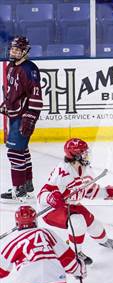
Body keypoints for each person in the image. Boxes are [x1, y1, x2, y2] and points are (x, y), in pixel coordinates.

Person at [37, 138, 113, 265]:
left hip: (71, 204)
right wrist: (50, 198)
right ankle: (74, 252)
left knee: (94, 225)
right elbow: (43, 194)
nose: (87, 155)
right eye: (83, 152)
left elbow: (89, 191)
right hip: (52, 209)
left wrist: (109, 193)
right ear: (75, 154)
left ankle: (104, 240)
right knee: (78, 222)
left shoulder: (86, 168)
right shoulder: (63, 171)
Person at [0, 205, 86, 283]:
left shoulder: (14, 241)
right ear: (35, 220)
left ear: (17, 222)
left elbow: (2, 270)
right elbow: (67, 257)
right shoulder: (46, 233)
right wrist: (78, 269)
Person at [0, 36, 43, 202]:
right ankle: (27, 187)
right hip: (15, 114)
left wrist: (30, 117)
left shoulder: (29, 69)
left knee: (14, 152)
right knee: (22, 151)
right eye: (13, 49)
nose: (14, 52)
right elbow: (13, 92)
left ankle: (19, 190)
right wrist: (6, 105)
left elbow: (35, 94)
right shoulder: (11, 67)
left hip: (23, 116)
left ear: (25, 51)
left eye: (18, 49)